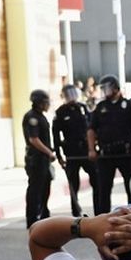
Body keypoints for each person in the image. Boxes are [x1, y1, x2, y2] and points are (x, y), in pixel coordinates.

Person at [87, 75, 131, 214]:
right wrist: (91, 150)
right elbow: (91, 130)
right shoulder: (101, 107)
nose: (104, 92)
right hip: (106, 153)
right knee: (103, 190)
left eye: (106, 88)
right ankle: (102, 219)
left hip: (126, 152)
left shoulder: (129, 106)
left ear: (115, 88)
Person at [54, 85, 93, 218]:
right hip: (71, 153)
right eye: (68, 94)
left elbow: (91, 128)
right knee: (73, 184)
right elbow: (56, 136)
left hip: (86, 151)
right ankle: (76, 211)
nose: (72, 97)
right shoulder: (60, 112)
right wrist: (59, 155)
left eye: (73, 93)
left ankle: (99, 209)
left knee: (96, 179)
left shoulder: (83, 108)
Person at [21, 90, 55, 228]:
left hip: (43, 160)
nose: (47, 105)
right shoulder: (32, 117)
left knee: (45, 187)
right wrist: (49, 152)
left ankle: (44, 214)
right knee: (35, 189)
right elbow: (34, 139)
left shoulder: (41, 116)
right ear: (39, 103)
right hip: (36, 159)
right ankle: (32, 219)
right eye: (45, 102)